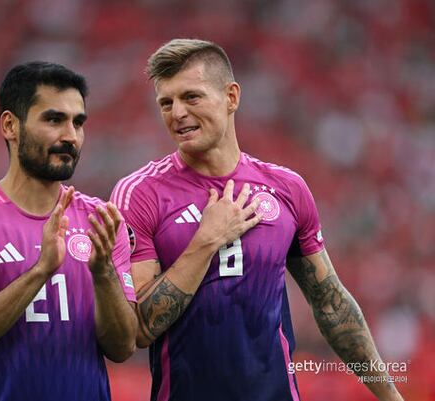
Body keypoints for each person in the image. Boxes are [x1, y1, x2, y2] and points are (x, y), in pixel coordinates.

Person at [111, 39, 404, 401]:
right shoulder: (140, 193)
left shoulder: (286, 188)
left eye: (191, 97)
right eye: (166, 103)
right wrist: (205, 242)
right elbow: (139, 328)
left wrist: (391, 397)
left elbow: (331, 304)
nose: (177, 113)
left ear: (231, 97)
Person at [0, 62, 138, 401]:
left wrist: (103, 275)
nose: (70, 136)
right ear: (10, 126)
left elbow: (123, 346)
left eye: (78, 122)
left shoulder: (102, 221)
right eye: (54, 120)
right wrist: (40, 271)